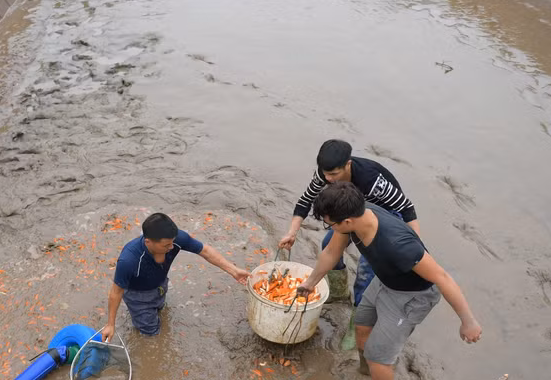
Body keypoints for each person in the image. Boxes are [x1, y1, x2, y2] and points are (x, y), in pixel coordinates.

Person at [296, 182, 481, 380]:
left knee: (377, 354)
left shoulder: (397, 244)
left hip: (412, 295)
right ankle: (366, 369)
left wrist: (468, 321)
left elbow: (441, 278)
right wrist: (310, 283)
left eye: (330, 223)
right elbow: (331, 253)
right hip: (384, 279)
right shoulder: (354, 216)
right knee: (362, 324)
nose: (330, 228)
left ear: (347, 221)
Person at [279, 140, 420, 305]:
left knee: (367, 270)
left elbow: (406, 208)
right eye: (325, 174)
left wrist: (416, 249)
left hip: (383, 216)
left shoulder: (371, 180)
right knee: (328, 245)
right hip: (348, 210)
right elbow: (305, 201)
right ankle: (339, 293)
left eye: (333, 174)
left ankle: (359, 316)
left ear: (348, 164)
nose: (328, 179)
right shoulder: (325, 174)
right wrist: (292, 232)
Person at [101, 213, 250, 341]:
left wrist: (234, 271)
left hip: (160, 284)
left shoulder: (175, 239)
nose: (171, 247)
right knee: (151, 333)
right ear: (148, 242)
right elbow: (116, 292)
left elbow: (205, 251)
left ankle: (157, 308)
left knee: (160, 307)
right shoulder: (129, 260)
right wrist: (110, 324)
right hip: (138, 296)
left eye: (172, 242)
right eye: (166, 245)